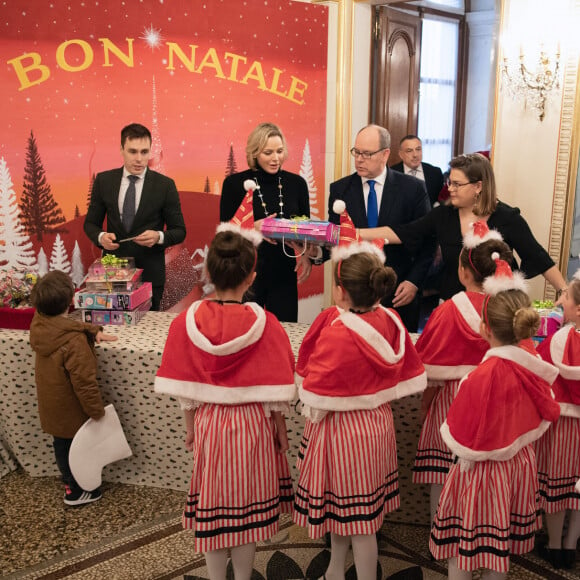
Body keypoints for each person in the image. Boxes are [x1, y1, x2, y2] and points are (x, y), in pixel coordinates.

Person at [154, 224, 296, 580]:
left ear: (209, 273)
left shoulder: (187, 322)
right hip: (254, 424)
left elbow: (187, 389)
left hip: (211, 424)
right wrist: (280, 432)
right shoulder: (267, 324)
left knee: (214, 508)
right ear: (251, 276)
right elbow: (277, 390)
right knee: (247, 512)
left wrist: (190, 430)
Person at [293, 227, 427, 580]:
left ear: (341, 290)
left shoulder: (339, 331)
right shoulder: (390, 319)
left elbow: (316, 390)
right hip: (376, 424)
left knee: (356, 520)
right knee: (357, 515)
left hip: (341, 431)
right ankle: (337, 570)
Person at [429, 260, 561, 579]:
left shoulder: (479, 378)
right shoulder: (533, 371)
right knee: (497, 547)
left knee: (463, 547)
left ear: (485, 329)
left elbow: (462, 439)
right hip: (517, 469)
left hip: (478, 474)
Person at [359, 152, 567, 302]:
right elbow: (401, 232)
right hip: (452, 305)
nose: (450, 189)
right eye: (449, 182)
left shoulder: (507, 217)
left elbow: (539, 258)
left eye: (457, 184)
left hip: (498, 308)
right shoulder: (443, 215)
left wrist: (566, 293)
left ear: (478, 186)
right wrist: (354, 233)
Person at [413, 222, 513, 521]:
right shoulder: (505, 309)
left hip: (450, 400)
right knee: (480, 468)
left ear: (463, 272)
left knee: (443, 469)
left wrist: (426, 403)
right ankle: (477, 525)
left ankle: (438, 529)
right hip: (493, 396)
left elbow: (430, 366)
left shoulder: (447, 311)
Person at [328, 124, 435, 332]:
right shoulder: (340, 189)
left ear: (385, 154)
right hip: (355, 297)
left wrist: (414, 282)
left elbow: (429, 241)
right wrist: (312, 252)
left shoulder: (412, 189)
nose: (359, 159)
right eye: (356, 152)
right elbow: (336, 239)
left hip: (399, 293)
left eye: (366, 154)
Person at [29, 270, 118, 506]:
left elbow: (64, 326)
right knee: (78, 450)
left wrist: (92, 330)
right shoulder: (73, 343)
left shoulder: (39, 323)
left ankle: (69, 482)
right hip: (73, 409)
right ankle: (78, 491)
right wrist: (96, 412)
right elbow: (84, 382)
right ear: (71, 301)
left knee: (62, 445)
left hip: (52, 405)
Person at [84, 123, 186, 311]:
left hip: (150, 277)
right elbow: (90, 224)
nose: (139, 159)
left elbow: (179, 231)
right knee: (111, 331)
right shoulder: (104, 181)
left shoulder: (165, 185)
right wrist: (101, 238)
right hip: (112, 275)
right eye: (132, 151)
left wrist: (158, 237)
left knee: (147, 335)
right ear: (121, 150)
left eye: (144, 152)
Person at [219, 122, 313, 322]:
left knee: (283, 332)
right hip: (244, 273)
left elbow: (306, 228)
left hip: (284, 273)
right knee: (243, 332)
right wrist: (254, 227)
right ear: (254, 153)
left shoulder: (297, 184)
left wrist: (305, 255)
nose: (275, 158)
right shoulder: (234, 184)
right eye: (268, 152)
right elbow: (224, 235)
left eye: (279, 151)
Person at [535, 274, 580, 570]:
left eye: (566, 297)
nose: (561, 301)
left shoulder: (559, 340)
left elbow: (537, 377)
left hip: (563, 426)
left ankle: (553, 545)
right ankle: (570, 545)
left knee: (557, 487)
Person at [390, 134, 444, 207]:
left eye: (418, 149)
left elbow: (441, 200)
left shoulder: (435, 172)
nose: (415, 155)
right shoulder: (391, 173)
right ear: (401, 154)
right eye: (409, 151)